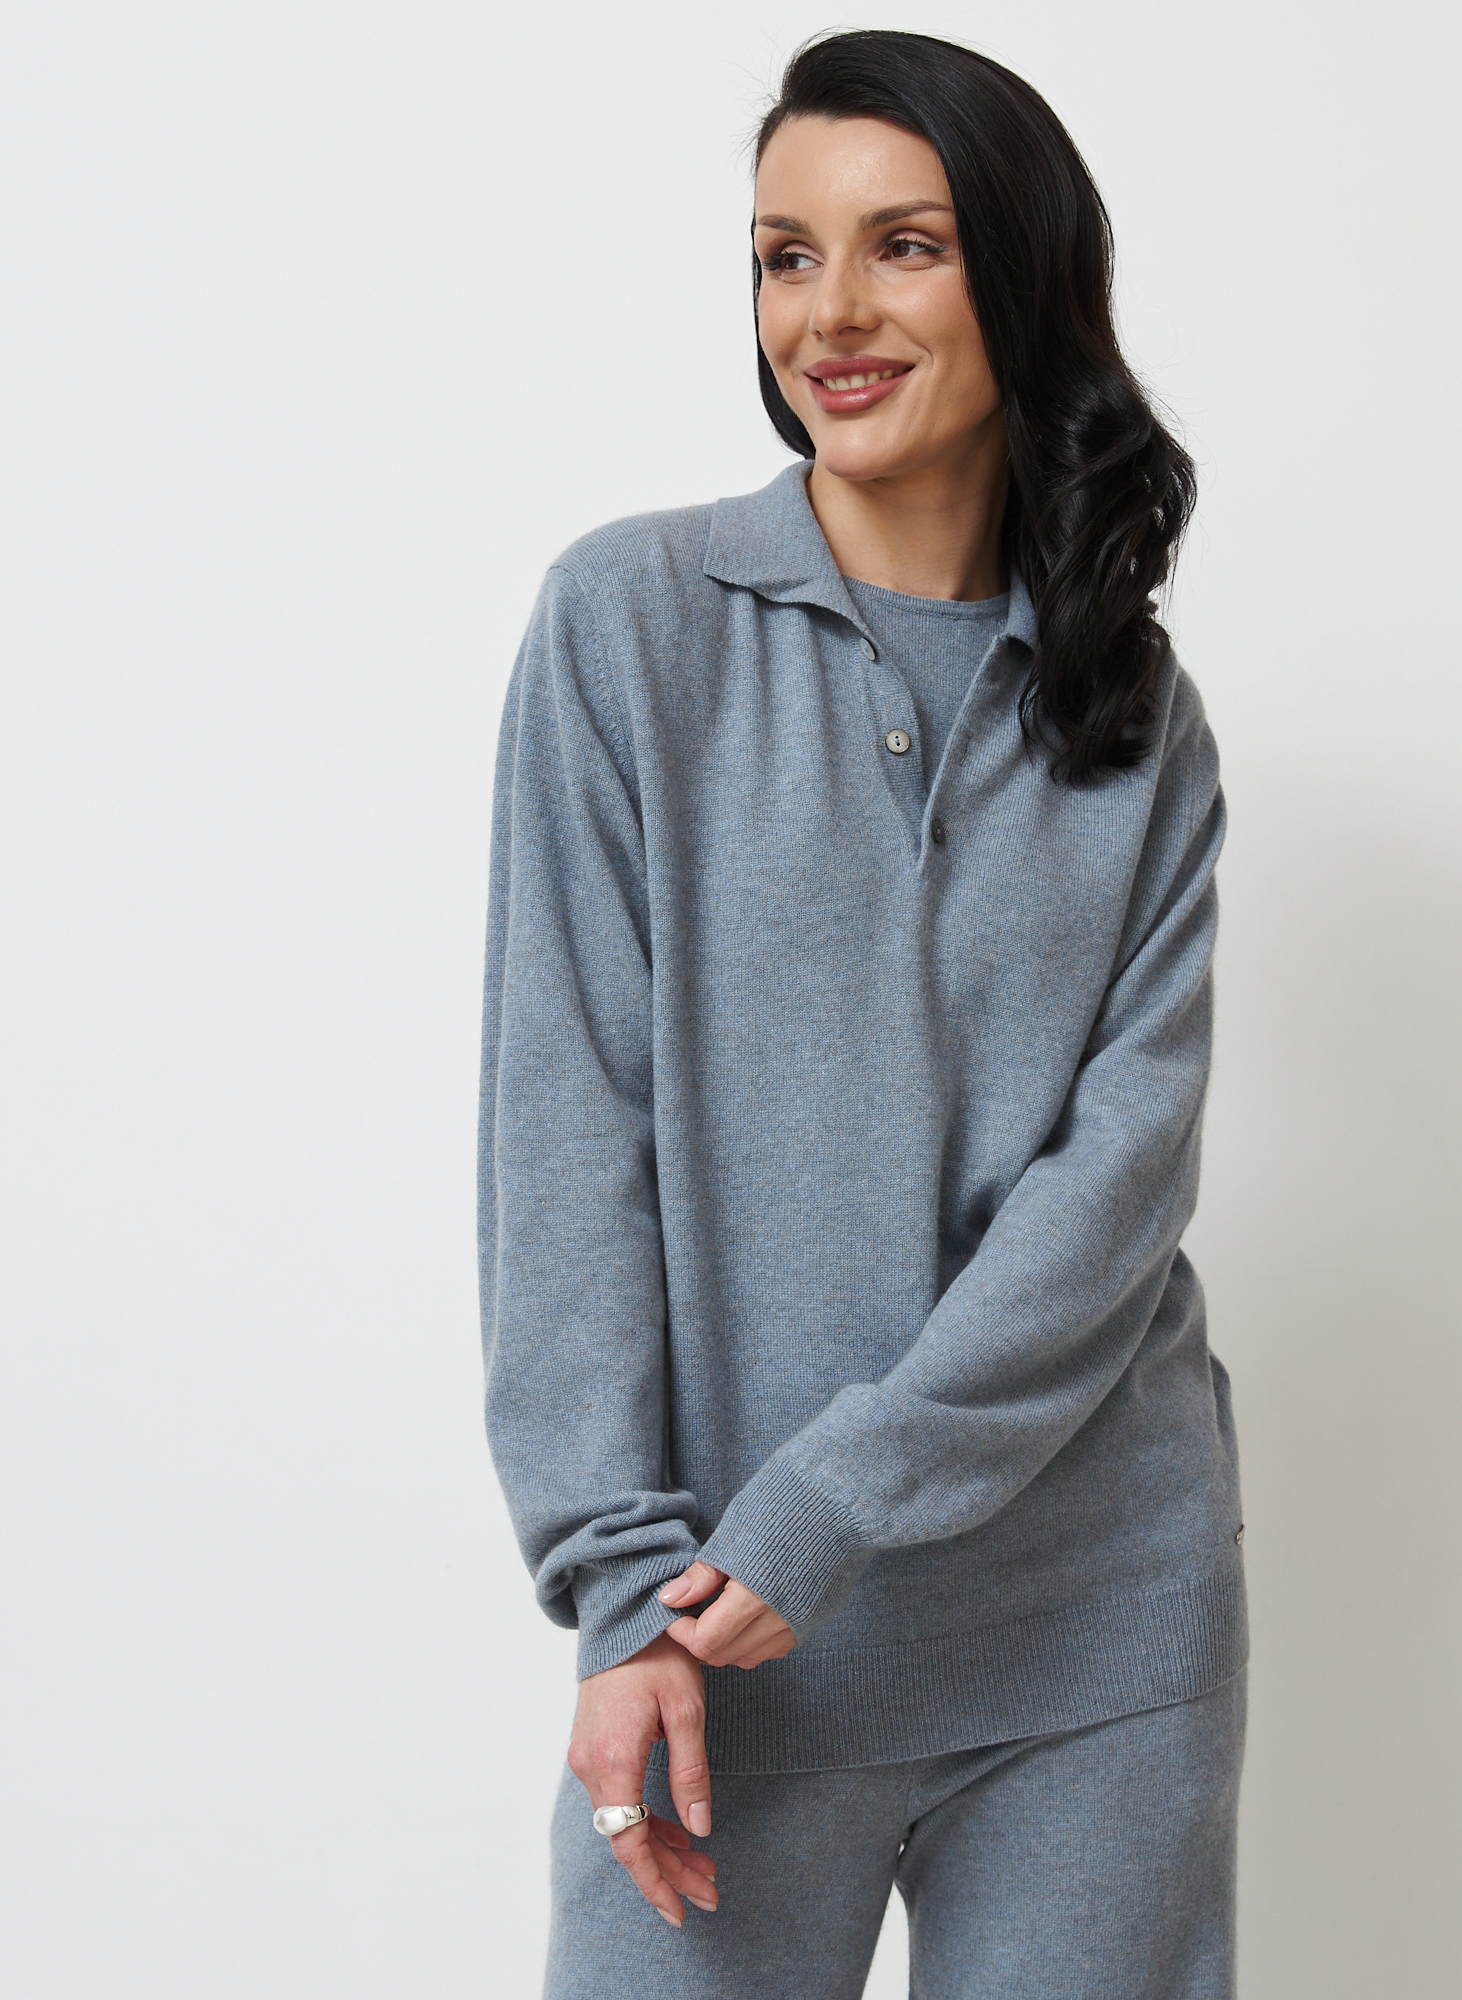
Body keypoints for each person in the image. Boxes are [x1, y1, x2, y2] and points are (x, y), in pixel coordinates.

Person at [479, 29, 1247, 1999]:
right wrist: (621, 1589)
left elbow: (1112, 1196)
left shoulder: (1137, 719)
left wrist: (831, 1505)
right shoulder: (629, 626)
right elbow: (567, 1134)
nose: (827, 312)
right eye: (782, 255)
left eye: (903, 245)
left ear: (1024, 276)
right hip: (717, 1631)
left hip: (1095, 1634)